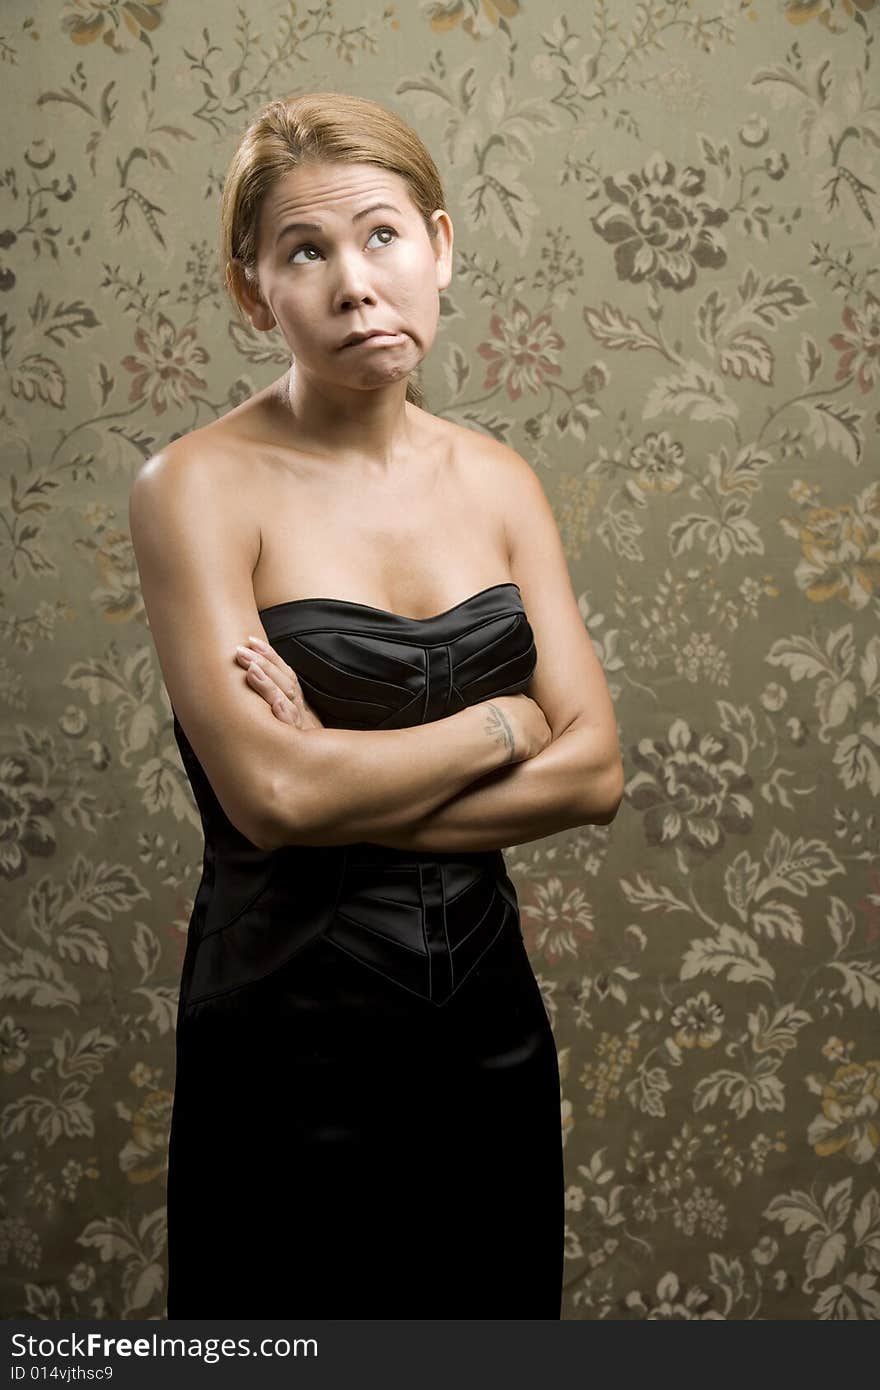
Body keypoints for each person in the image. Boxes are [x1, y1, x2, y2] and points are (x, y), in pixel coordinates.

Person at [129, 91, 623, 1319]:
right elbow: (274, 793)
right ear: (257, 294)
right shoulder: (191, 486)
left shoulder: (501, 480)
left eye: (383, 237)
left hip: (490, 1035)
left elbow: (597, 773)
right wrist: (503, 728)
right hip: (281, 1041)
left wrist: (337, 781)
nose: (357, 283)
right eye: (307, 252)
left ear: (440, 246)